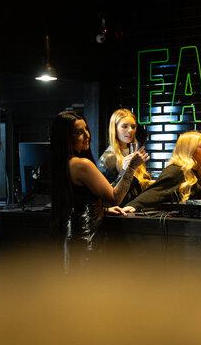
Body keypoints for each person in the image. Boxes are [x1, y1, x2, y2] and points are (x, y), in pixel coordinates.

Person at [50, 110, 148, 271]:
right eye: (79, 132)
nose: (87, 135)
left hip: (70, 236)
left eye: (86, 129)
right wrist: (130, 168)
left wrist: (101, 209)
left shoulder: (62, 164)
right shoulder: (82, 164)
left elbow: (77, 201)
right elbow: (115, 197)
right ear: (66, 137)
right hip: (88, 239)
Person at [115, 131, 201, 213]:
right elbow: (155, 193)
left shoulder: (199, 172)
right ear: (190, 150)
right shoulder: (177, 171)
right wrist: (134, 205)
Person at [97, 108, 153, 205]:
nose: (130, 130)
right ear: (114, 129)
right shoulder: (108, 158)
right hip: (120, 215)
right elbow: (108, 198)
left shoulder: (135, 153)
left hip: (136, 209)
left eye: (133, 126)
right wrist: (125, 170)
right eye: (124, 126)